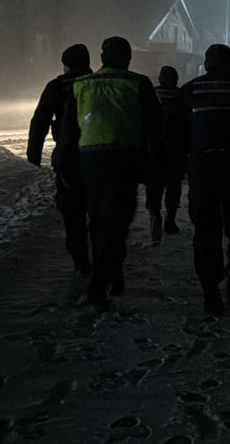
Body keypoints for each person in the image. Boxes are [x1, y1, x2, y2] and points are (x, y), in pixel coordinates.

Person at [166, 43, 230, 315]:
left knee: (206, 232)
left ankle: (210, 293)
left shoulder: (188, 91)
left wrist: (186, 165)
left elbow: (171, 134)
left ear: (205, 63)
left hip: (202, 173)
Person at [64, 36, 161, 312]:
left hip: (89, 162)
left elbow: (69, 133)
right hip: (124, 160)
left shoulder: (80, 85)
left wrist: (66, 168)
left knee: (99, 224)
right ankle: (100, 286)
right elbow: (157, 128)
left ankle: (111, 280)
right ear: (128, 58)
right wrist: (157, 169)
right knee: (117, 224)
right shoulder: (138, 83)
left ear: (102, 58)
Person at [26, 43, 93, 277]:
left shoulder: (57, 87)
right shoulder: (100, 84)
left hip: (69, 159)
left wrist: (33, 158)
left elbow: (39, 123)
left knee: (72, 215)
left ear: (65, 65)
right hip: (103, 158)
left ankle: (82, 264)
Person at [145, 65, 184, 242]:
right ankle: (170, 219)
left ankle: (154, 214)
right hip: (176, 148)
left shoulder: (152, 94)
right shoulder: (181, 95)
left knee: (154, 184)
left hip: (154, 147)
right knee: (173, 184)